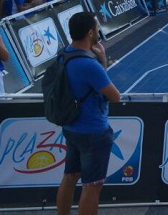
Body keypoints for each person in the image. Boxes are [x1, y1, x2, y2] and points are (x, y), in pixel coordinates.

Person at [56, 12, 120, 215]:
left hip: (71, 126)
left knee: (69, 176)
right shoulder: (90, 65)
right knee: (92, 185)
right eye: (96, 28)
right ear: (90, 32)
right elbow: (114, 96)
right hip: (93, 130)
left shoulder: (63, 55)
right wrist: (102, 59)